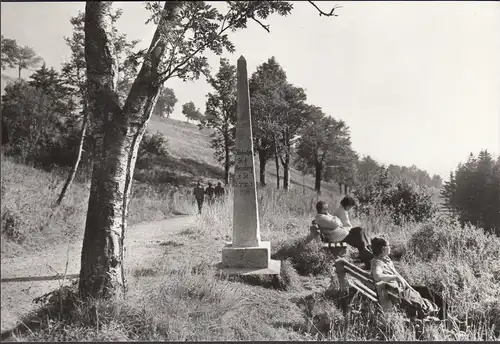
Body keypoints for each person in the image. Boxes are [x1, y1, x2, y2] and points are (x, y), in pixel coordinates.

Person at [370, 237, 440, 320]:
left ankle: (442, 311)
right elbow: (377, 275)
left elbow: (399, 276)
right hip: (396, 293)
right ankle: (439, 313)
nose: (390, 247)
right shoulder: (378, 262)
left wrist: (411, 289)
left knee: (425, 291)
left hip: (400, 290)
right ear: (383, 248)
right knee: (425, 294)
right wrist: (395, 277)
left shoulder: (386, 260)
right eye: (389, 245)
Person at [314, 200, 374, 269]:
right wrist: (335, 218)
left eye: (327, 208)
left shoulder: (325, 215)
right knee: (359, 239)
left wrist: (335, 218)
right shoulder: (321, 218)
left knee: (360, 230)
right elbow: (335, 223)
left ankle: (367, 249)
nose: (327, 211)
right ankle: (368, 255)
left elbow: (338, 222)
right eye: (325, 209)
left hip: (343, 233)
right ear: (319, 209)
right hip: (338, 237)